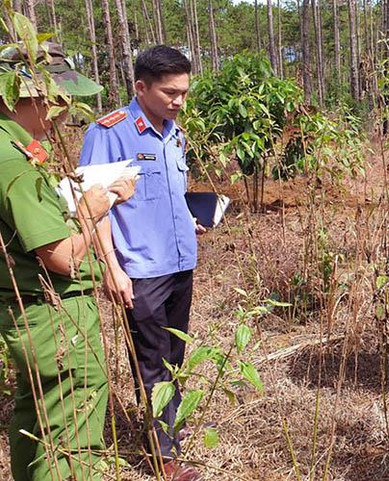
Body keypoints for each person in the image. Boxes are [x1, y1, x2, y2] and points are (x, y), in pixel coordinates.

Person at [0, 42, 134, 480]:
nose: (63, 111)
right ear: (19, 95)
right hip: (52, 313)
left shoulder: (16, 146)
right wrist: (97, 205)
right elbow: (60, 256)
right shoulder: (9, 157)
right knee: (72, 437)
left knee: (36, 420)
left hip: (28, 311)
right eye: (57, 98)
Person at [78, 45, 204, 481]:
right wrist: (112, 267)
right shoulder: (109, 133)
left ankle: (170, 431)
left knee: (174, 359)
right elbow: (92, 208)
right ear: (140, 87)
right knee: (151, 362)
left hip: (180, 262)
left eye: (184, 92)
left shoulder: (175, 134)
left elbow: (171, 195)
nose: (179, 101)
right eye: (170, 92)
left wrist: (190, 219)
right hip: (141, 269)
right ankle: (164, 455)